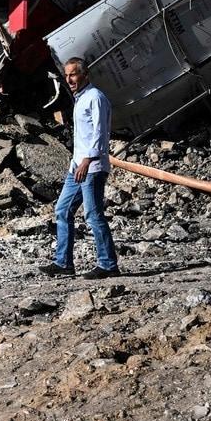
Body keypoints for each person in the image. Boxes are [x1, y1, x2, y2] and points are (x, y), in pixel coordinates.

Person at [39, 57, 120, 279]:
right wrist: (76, 162)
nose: (69, 79)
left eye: (73, 74)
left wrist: (86, 160)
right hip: (77, 166)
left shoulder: (95, 98)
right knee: (62, 210)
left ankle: (108, 264)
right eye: (67, 75)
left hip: (91, 167)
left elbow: (101, 134)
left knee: (93, 215)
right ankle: (63, 262)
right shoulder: (80, 99)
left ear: (85, 74)